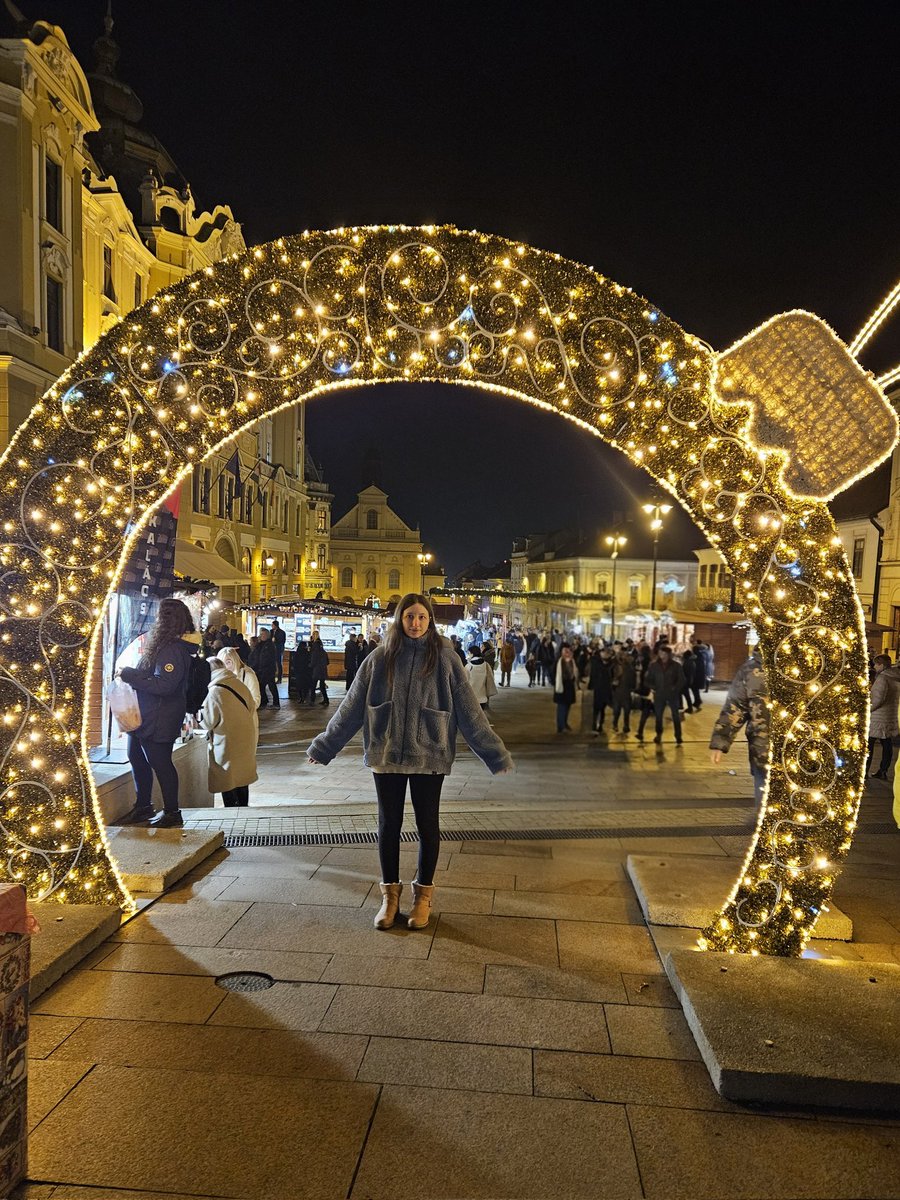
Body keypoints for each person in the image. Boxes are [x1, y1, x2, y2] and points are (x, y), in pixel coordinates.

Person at [307, 593, 513, 931]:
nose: (415, 623)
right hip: (385, 754)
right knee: (388, 826)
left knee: (427, 826)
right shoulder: (379, 658)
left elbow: (470, 713)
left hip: (430, 752)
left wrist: (494, 754)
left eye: (421, 617)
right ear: (400, 620)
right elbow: (352, 706)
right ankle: (390, 897)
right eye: (409, 617)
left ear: (429, 620)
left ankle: (423, 897)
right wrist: (325, 746)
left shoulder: (446, 659)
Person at [117, 597, 200, 828]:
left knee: (160, 762)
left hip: (160, 717)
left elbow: (165, 685)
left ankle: (172, 812)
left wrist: (131, 675)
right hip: (145, 715)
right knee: (136, 756)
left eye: (158, 617)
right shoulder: (164, 646)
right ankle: (143, 805)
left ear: (166, 621)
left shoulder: (172, 650)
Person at [709, 647, 769, 804]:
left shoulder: (812, 664)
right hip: (764, 753)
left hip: (806, 756)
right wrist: (720, 740)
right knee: (765, 808)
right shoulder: (751, 670)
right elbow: (735, 707)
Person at [202, 656, 258, 806]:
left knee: (227, 779)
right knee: (242, 778)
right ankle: (243, 809)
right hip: (245, 738)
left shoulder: (214, 691)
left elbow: (207, 722)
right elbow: (252, 707)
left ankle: (232, 813)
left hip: (226, 743)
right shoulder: (238, 684)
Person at [867, 653, 900, 780]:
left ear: (881, 664)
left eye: (876, 664)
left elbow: (877, 699)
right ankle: (883, 770)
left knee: (869, 744)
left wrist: (868, 709)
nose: (874, 666)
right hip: (890, 716)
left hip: (878, 718)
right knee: (887, 744)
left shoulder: (882, 678)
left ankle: (864, 772)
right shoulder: (895, 677)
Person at [645, 644, 686, 744]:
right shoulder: (654, 666)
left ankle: (678, 736)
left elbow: (682, 680)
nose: (660, 654)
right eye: (659, 652)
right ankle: (658, 735)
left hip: (672, 695)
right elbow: (647, 680)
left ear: (668, 654)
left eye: (662, 652)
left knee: (675, 715)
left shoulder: (676, 666)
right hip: (659, 694)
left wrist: (675, 689)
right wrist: (654, 687)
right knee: (658, 716)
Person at [249, 627, 280, 709]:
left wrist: (262, 666)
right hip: (264, 669)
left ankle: (270, 703)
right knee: (267, 686)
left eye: (262, 634)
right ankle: (268, 702)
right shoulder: (262, 644)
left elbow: (267, 658)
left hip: (267, 669)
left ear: (267, 635)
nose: (261, 636)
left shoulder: (269, 645)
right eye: (261, 634)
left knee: (266, 686)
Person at [587, 644, 614, 733]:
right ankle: (594, 725)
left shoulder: (611, 665)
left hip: (606, 689)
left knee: (602, 709)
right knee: (596, 708)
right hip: (598, 689)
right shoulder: (596, 662)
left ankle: (600, 725)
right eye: (603, 653)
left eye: (607, 653)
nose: (605, 655)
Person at [553, 643, 579, 732]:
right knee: (561, 707)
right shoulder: (559, 661)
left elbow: (575, 673)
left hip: (569, 687)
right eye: (565, 651)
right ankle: (561, 726)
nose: (567, 653)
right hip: (561, 687)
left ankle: (564, 723)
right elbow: (553, 674)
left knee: (567, 707)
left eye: (568, 651)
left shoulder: (572, 661)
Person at [611, 648, 636, 734]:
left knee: (625, 710)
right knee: (619, 710)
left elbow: (633, 679)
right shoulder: (615, 667)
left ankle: (624, 725)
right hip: (619, 691)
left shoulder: (629, 668)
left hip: (624, 691)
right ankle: (617, 724)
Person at [467, 643, 498, 710]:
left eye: (469, 653)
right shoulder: (486, 665)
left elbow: (464, 681)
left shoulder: (468, 666)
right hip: (483, 698)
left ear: (472, 654)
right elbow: (490, 679)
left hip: (471, 697)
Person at [309, 629, 330, 706]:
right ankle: (326, 700)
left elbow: (314, 657)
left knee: (313, 685)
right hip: (322, 668)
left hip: (317, 669)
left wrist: (311, 665)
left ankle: (312, 700)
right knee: (322, 685)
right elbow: (327, 660)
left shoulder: (315, 646)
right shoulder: (321, 647)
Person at [270, 619, 287, 684]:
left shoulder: (282, 632)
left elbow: (282, 641)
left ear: (276, 625)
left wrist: (275, 640)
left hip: (279, 650)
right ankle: (272, 678)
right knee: (272, 664)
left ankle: (279, 678)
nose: (272, 626)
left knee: (279, 664)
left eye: (273, 625)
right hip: (272, 650)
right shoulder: (271, 631)